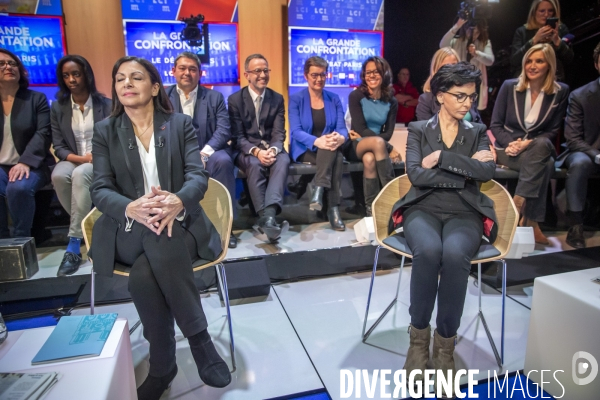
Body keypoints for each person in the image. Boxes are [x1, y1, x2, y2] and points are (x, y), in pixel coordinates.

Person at [89, 56, 230, 400]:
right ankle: (200, 340)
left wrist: (178, 201)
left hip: (176, 223)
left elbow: (198, 176)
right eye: (120, 78)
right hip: (127, 229)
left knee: (144, 273)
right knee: (157, 237)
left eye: (135, 77)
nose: (126, 83)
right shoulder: (106, 131)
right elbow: (100, 188)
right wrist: (130, 207)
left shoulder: (179, 125)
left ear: (154, 87)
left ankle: (162, 365)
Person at [388, 62, 496, 396]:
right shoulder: (418, 129)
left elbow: (486, 173)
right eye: (460, 96)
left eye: (472, 97)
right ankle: (418, 342)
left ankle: (444, 347)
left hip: (465, 211)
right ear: (440, 96)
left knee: (453, 255)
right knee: (430, 251)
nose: (467, 103)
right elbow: (416, 176)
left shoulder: (476, 130)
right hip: (423, 208)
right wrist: (465, 170)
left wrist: (442, 159)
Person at [491, 44, 568, 245]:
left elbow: (553, 131)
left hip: (535, 149)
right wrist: (513, 144)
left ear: (549, 65)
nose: (532, 66)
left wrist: (527, 144)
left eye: (539, 61)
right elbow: (496, 124)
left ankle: (517, 205)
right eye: (529, 61)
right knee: (547, 164)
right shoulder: (510, 86)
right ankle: (531, 223)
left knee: (541, 145)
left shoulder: (560, 92)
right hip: (507, 150)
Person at [166, 52, 237, 248]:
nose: (187, 73)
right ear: (173, 71)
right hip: (177, 153)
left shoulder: (214, 97)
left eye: (192, 69)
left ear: (200, 73)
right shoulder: (163, 97)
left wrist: (204, 153)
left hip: (209, 151)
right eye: (182, 68)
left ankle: (227, 226)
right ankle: (175, 223)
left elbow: (224, 130)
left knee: (224, 161)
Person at [50, 55, 111, 276]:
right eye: (66, 75)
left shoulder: (106, 104)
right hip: (73, 159)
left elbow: (113, 139)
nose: (72, 79)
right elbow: (58, 146)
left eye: (76, 74)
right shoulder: (58, 108)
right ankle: (88, 228)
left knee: (80, 175)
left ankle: (74, 245)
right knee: (59, 175)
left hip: (101, 160)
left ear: (86, 75)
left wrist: (93, 157)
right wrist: (81, 158)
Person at [228, 54, 289, 242]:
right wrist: (257, 151)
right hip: (246, 151)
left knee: (283, 160)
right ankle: (267, 216)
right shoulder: (235, 100)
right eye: (257, 71)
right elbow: (237, 137)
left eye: (265, 70)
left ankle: (267, 217)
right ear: (247, 75)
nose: (262, 75)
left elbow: (279, 133)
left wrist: (274, 149)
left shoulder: (277, 99)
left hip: (271, 149)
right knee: (254, 164)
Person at [288, 56, 348, 231]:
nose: (319, 79)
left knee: (331, 150)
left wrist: (341, 138)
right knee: (332, 153)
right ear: (306, 75)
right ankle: (333, 208)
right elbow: (296, 131)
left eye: (322, 75)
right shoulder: (296, 99)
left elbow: (342, 129)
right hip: (304, 148)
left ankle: (319, 191)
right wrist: (317, 141)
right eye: (315, 75)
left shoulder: (333, 98)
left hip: (328, 148)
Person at [0, 49, 52, 239]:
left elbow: (44, 133)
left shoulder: (35, 98)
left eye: (12, 64)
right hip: (1, 167)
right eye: (2, 64)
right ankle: (3, 242)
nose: (8, 67)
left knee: (18, 188)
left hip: (33, 164)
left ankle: (22, 240)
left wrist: (25, 162)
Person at [555, 41, 600, 249]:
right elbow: (573, 138)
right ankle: (575, 225)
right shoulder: (581, 95)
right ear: (597, 65)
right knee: (580, 163)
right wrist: (596, 155)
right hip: (584, 150)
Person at [345, 56, 399, 216]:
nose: (372, 75)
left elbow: (388, 133)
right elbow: (360, 128)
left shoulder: (391, 101)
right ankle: (392, 201)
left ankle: (371, 209)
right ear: (363, 75)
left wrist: (382, 143)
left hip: (375, 147)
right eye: (368, 72)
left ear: (384, 74)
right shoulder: (356, 96)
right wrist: (388, 147)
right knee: (377, 144)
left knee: (370, 159)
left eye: (376, 72)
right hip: (356, 144)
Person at [510, 0, 573, 81]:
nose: (546, 14)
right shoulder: (522, 31)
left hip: (554, 79)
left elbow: (569, 59)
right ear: (534, 12)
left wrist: (557, 42)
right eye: (542, 11)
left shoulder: (561, 29)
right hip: (527, 80)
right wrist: (534, 40)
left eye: (550, 10)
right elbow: (514, 61)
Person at [440, 18, 494, 110]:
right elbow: (442, 45)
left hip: (475, 87)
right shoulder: (457, 41)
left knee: (473, 116)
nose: (474, 35)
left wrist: (476, 54)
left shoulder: (484, 43)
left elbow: (490, 61)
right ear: (465, 29)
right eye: (471, 31)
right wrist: (457, 26)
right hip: (458, 85)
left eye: (477, 32)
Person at [416, 47, 482, 123]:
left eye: (454, 65)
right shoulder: (426, 100)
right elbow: (425, 131)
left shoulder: (469, 95)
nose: (451, 70)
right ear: (436, 69)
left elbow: (479, 126)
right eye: (446, 66)